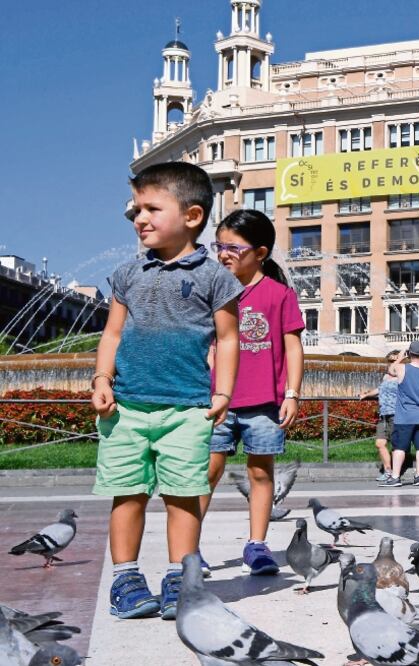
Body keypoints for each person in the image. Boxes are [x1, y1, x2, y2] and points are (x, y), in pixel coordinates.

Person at [90, 162, 243, 619]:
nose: (140, 218)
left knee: (183, 495)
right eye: (137, 209)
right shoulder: (127, 274)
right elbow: (112, 335)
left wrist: (223, 393)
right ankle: (126, 579)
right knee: (127, 493)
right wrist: (102, 379)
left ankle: (181, 576)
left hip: (188, 407)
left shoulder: (215, 277)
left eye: (152, 208)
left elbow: (229, 337)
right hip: (127, 406)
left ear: (192, 216)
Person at [199, 209, 305, 576]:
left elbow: (292, 347)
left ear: (260, 253)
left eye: (233, 247)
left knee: (261, 474)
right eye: (219, 246)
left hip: (264, 404)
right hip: (219, 404)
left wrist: (291, 393)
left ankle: (256, 546)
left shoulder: (279, 295)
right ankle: (189, 546)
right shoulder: (212, 292)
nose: (223, 253)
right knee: (206, 472)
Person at [381, 340, 419, 487]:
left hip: (404, 417)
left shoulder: (402, 368)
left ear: (410, 353)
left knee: (399, 448)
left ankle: (395, 477)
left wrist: (400, 356)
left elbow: (390, 371)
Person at [358, 350, 401, 483]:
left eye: (394, 361)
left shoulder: (402, 375)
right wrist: (367, 394)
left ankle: (395, 473)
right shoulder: (386, 377)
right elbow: (380, 389)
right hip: (383, 414)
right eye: (390, 361)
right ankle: (388, 471)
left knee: (396, 445)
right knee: (380, 443)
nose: (391, 364)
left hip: (396, 413)